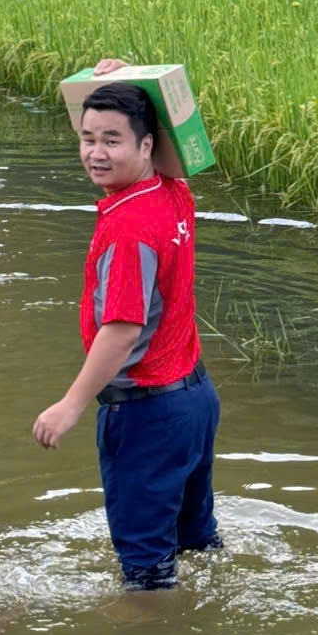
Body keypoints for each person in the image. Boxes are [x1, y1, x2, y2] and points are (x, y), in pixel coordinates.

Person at [32, 74, 221, 590]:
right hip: (195, 402)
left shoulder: (129, 226)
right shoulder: (172, 191)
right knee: (196, 546)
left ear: (146, 145)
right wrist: (124, 76)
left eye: (111, 140)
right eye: (87, 138)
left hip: (147, 415)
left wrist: (69, 405)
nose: (95, 153)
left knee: (146, 574)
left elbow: (121, 328)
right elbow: (179, 142)